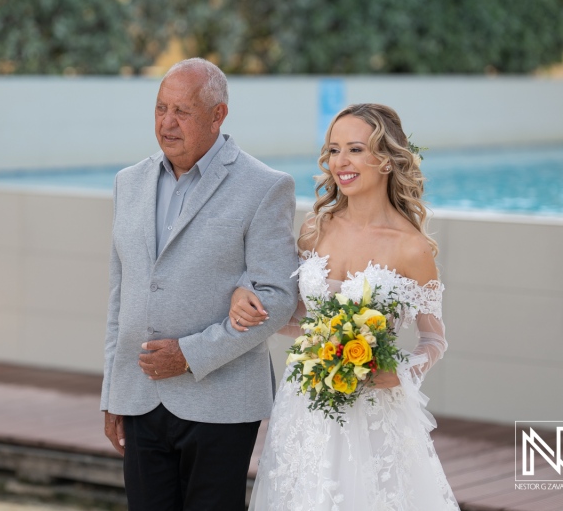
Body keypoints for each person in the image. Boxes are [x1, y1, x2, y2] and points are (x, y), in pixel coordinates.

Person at [231, 103, 460, 510]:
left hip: (374, 412)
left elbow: (434, 340)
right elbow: (295, 317)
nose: (340, 162)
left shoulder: (411, 247)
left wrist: (401, 372)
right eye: (333, 150)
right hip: (306, 405)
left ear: (387, 160)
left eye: (355, 149)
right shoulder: (316, 227)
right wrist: (251, 303)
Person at [100, 58, 299, 510]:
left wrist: (190, 355)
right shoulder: (127, 183)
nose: (167, 123)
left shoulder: (265, 186)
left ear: (218, 115)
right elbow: (120, 296)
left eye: (182, 112)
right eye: (160, 109)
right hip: (139, 396)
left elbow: (277, 297)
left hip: (221, 403)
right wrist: (113, 392)